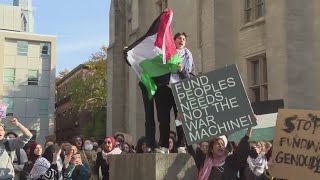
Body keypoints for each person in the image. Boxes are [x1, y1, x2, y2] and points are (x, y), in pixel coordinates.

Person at [154, 31, 195, 150]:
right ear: (174, 41)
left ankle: (181, 144)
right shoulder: (165, 54)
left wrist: (182, 70)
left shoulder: (188, 56)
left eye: (183, 39)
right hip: (165, 88)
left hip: (180, 90)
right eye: (179, 38)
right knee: (163, 119)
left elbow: (191, 77)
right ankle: (164, 145)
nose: (181, 40)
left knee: (181, 118)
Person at [187, 127, 252, 180]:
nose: (221, 146)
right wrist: (180, 122)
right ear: (211, 149)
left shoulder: (231, 160)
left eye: (223, 144)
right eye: (217, 144)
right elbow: (191, 146)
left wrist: (250, 127)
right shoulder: (204, 161)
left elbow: (242, 151)